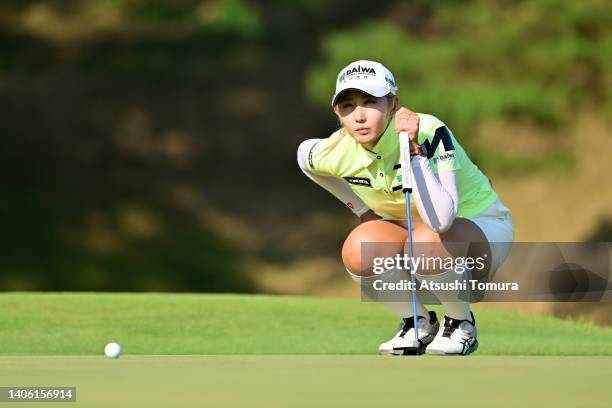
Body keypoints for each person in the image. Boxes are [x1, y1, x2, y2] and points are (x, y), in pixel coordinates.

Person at [297, 60, 514, 355]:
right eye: (347, 106)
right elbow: (305, 160)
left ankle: (461, 323)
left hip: (479, 229)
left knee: (425, 241)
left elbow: (440, 221)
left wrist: (413, 151)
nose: (359, 116)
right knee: (359, 248)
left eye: (370, 102)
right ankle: (418, 324)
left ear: (393, 103)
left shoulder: (428, 131)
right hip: (416, 238)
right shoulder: (334, 150)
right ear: (337, 112)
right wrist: (361, 209)